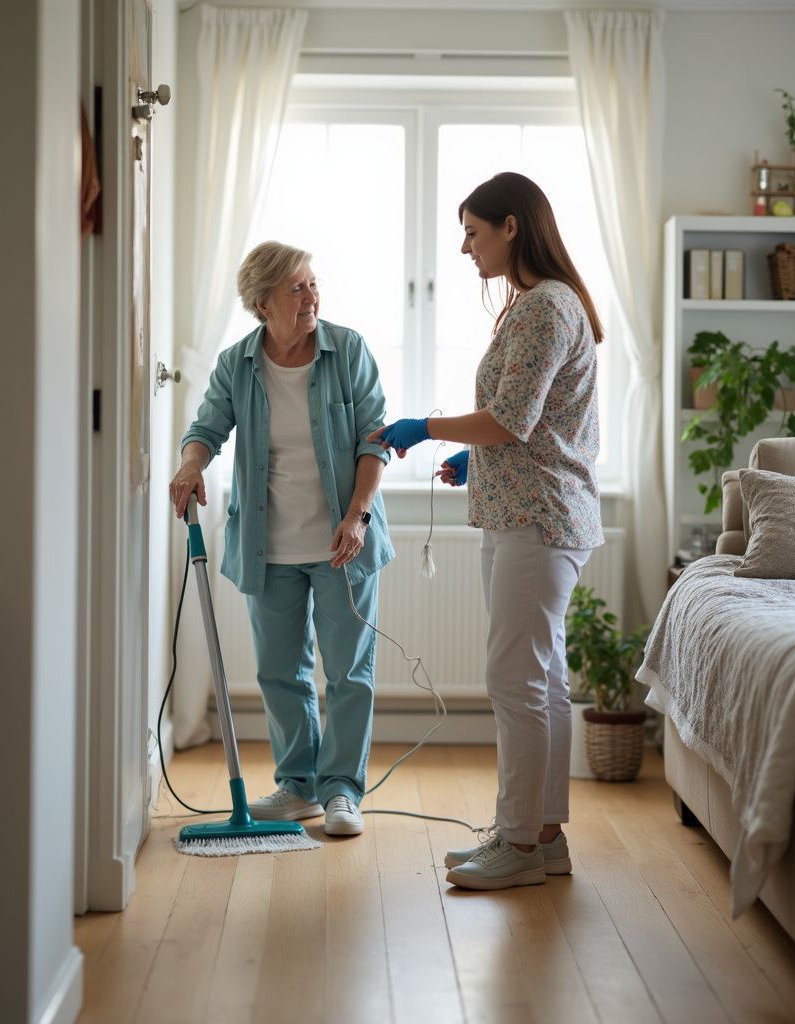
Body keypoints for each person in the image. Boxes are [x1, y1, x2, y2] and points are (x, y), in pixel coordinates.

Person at [368, 172, 604, 889]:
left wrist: (426, 427)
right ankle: (544, 838)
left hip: (538, 521)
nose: (465, 247)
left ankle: (520, 845)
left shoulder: (543, 308)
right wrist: (478, 459)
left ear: (512, 227)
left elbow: (513, 419)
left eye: (473, 231)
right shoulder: (540, 304)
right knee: (543, 679)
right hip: (527, 510)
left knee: (514, 678)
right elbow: (535, 421)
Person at [169, 241, 394, 837]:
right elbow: (206, 428)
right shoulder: (236, 363)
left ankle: (342, 789)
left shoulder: (347, 351)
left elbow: (375, 439)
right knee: (278, 671)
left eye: (314, 283)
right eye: (297, 287)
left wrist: (358, 514)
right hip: (269, 546)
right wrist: (192, 465)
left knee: (349, 673)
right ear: (262, 303)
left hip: (344, 540)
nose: (312, 295)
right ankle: (298, 787)